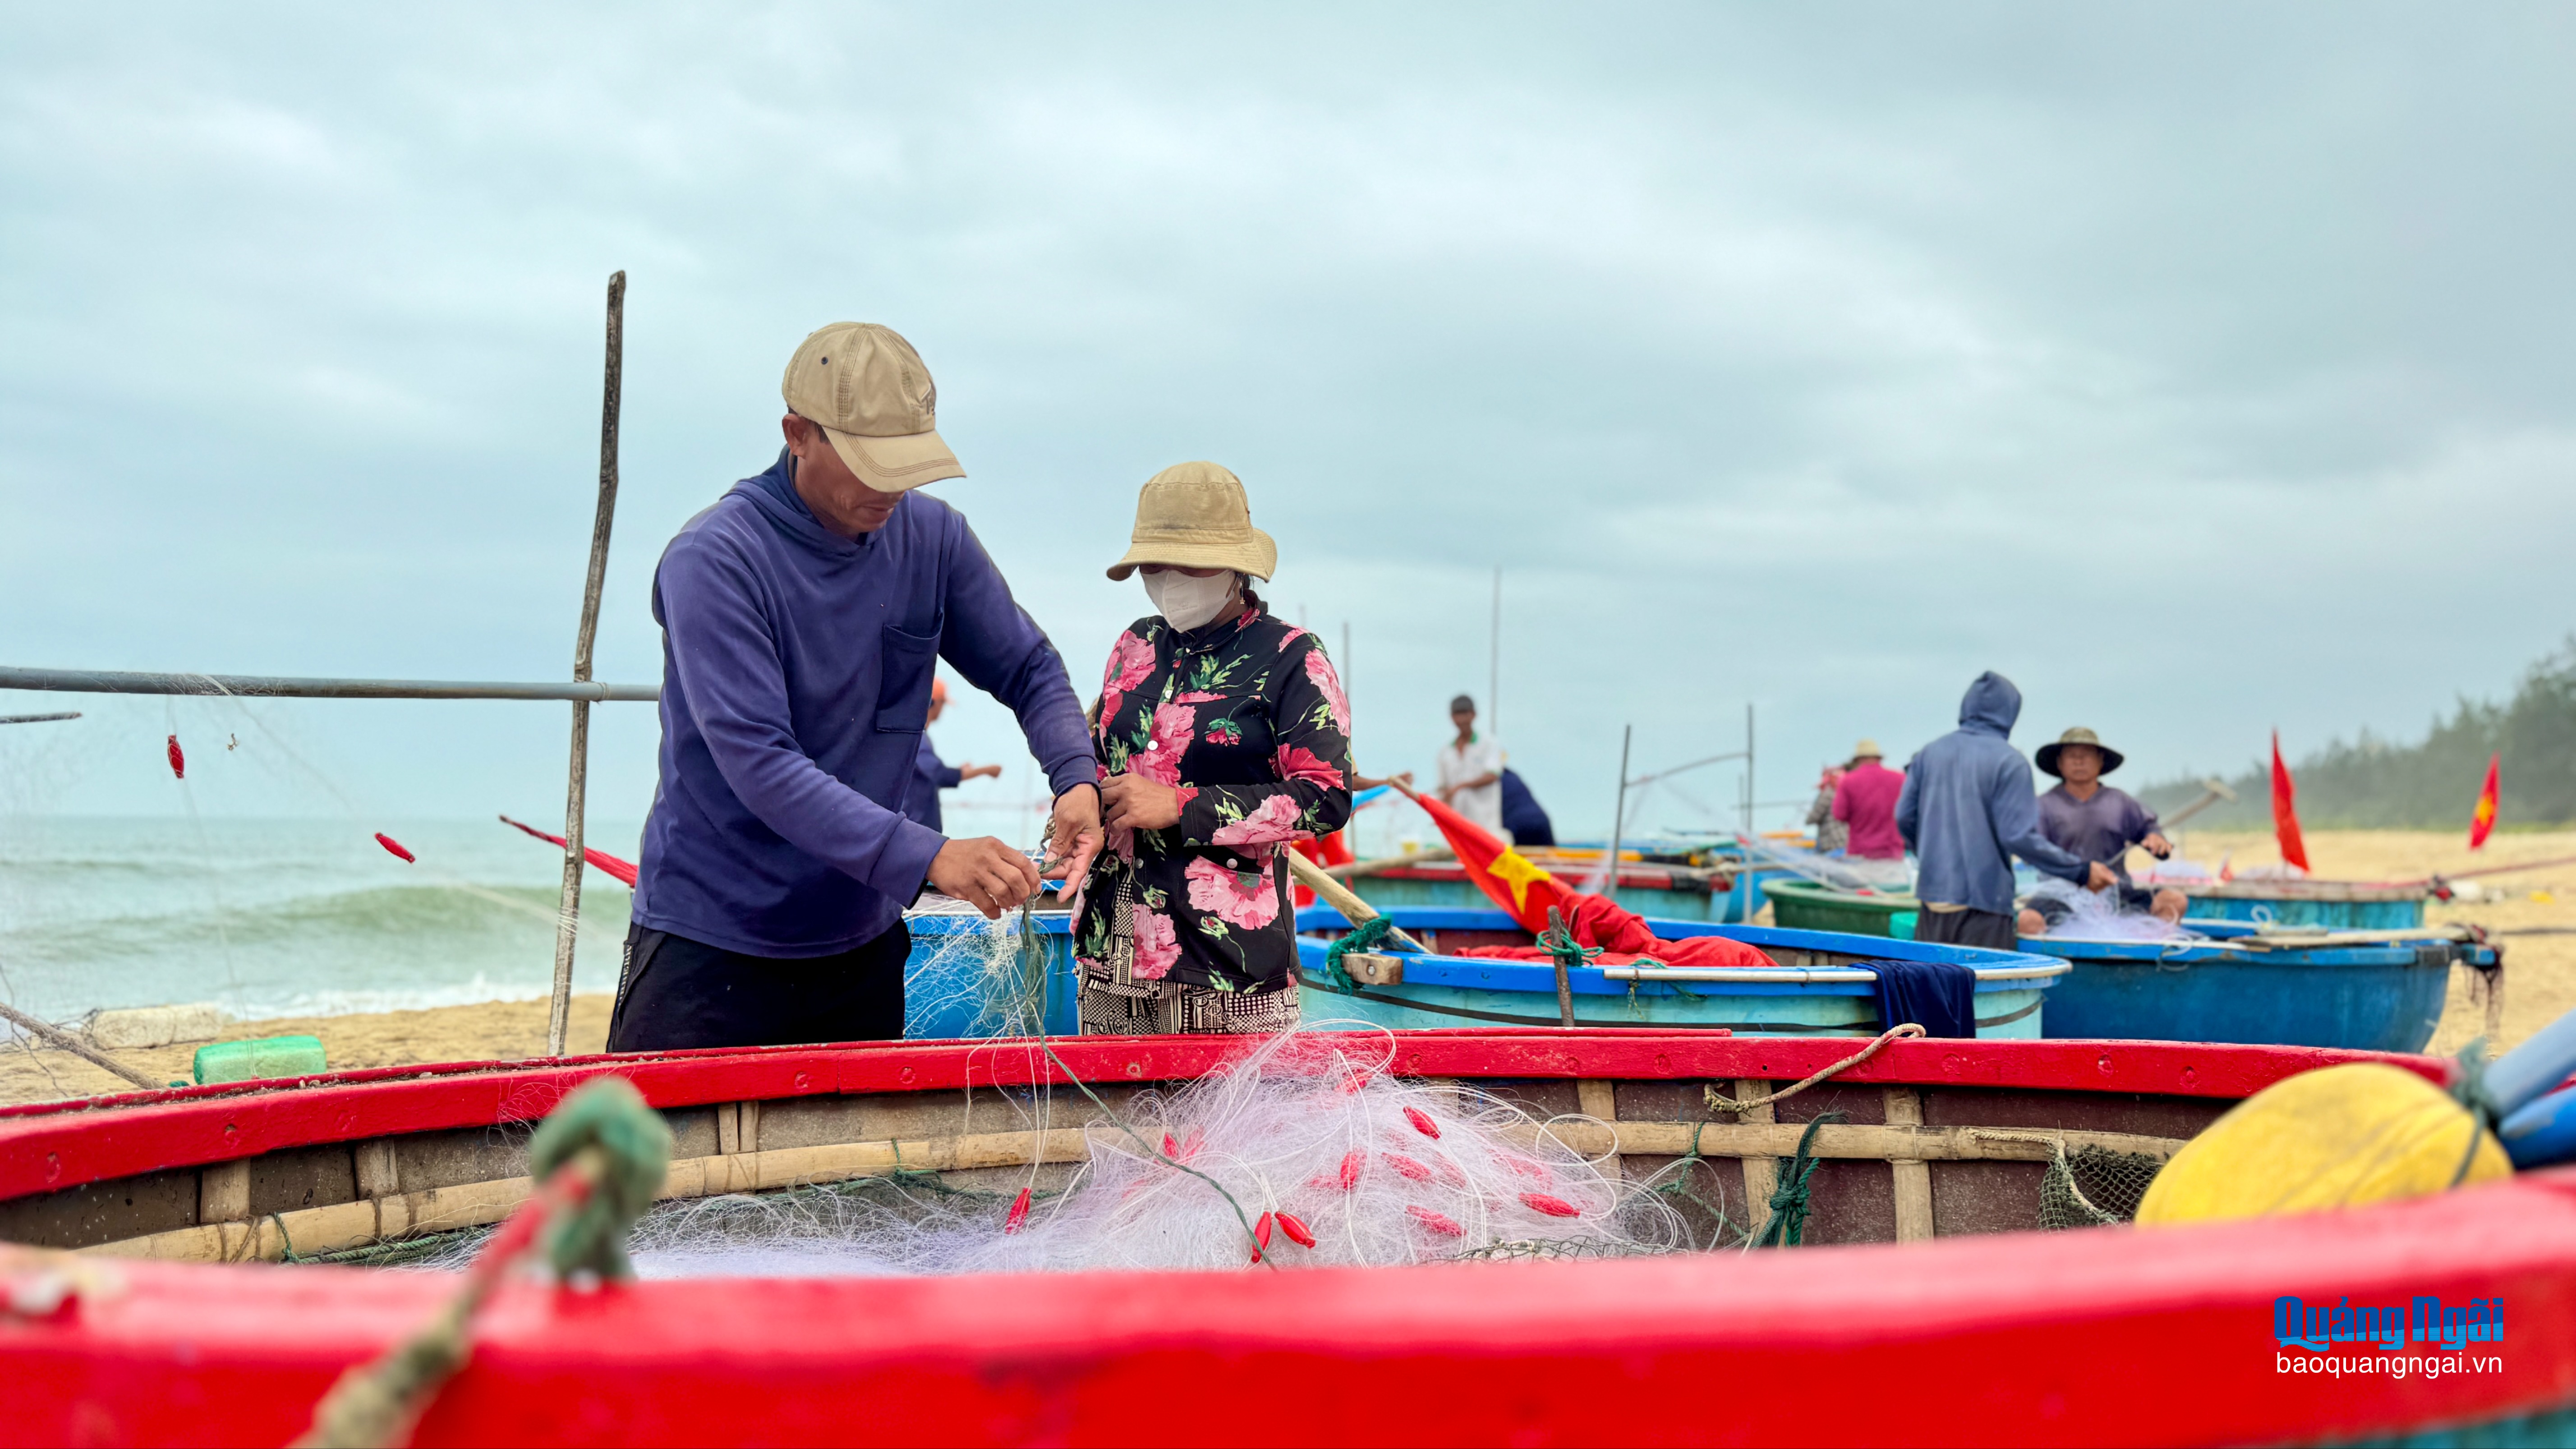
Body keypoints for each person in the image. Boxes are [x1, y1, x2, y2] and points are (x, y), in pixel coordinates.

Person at [611, 322, 1103, 1053]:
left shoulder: (932, 538)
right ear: (798, 433)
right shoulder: (716, 560)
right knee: (671, 1169)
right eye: (872, 463)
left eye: (909, 465)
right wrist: (932, 855)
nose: (893, 487)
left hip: (862, 944)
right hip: (710, 944)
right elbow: (762, 762)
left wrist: (1075, 777)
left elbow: (1027, 665)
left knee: (859, 1172)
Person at [1075, 462, 1353, 1035]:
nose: (1171, 577)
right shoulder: (1135, 645)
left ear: (1235, 567)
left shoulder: (1291, 657)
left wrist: (1181, 806)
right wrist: (1079, 805)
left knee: (1234, 1125)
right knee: (1110, 1122)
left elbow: (1325, 797)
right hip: (1112, 954)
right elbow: (1094, 757)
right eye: (1155, 564)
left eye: (1190, 563)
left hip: (1228, 968)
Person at [1893, 673, 2114, 951]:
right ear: (2010, 712)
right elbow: (2018, 836)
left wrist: (1932, 856)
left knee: (1933, 988)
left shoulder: (1929, 753)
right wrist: (2080, 871)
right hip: (1985, 903)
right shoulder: (2010, 762)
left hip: (1932, 898)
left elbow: (1904, 816)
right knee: (1982, 990)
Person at [2015, 727, 2187, 934]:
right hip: (2060, 894)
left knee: (2174, 901)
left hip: (2116, 890)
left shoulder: (2120, 802)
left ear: (2100, 761)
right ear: (2060, 763)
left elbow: (2148, 828)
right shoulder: (2043, 806)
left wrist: (2155, 838)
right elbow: (2033, 849)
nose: (2079, 761)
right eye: (2072, 756)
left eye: (2086, 755)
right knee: (2028, 921)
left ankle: (2150, 960)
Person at [906, 677, 1002, 835]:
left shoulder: (916, 739)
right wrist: (986, 770)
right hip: (917, 832)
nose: (943, 709)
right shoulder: (918, 739)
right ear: (932, 703)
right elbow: (940, 775)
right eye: (943, 703)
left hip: (917, 829)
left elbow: (929, 773)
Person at [1436, 695, 1507, 838]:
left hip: (1486, 826)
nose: (1461, 720)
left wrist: (1460, 786)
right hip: (1457, 828)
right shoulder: (1445, 752)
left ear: (1473, 715)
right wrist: (1444, 803)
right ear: (1452, 718)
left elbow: (1492, 775)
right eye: (1458, 715)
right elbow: (1442, 787)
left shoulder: (1489, 743)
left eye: (1465, 715)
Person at [1831, 740, 1906, 860]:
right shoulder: (1900, 779)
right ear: (1879, 758)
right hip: (1892, 852)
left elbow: (1839, 815)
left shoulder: (1848, 781)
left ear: (1858, 759)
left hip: (1860, 853)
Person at [1499, 767, 1555, 847]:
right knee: (1550, 857)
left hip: (1517, 824)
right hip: (1541, 821)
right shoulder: (1511, 775)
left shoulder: (1490, 782)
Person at [1805, 764, 1848, 853]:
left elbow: (1812, 819)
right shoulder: (1846, 794)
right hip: (1847, 842)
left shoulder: (1828, 794)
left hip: (1832, 843)